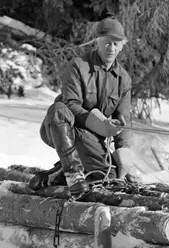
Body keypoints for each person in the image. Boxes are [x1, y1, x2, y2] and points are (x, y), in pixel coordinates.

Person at [35, 17, 138, 195]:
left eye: (116, 44)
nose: (111, 48)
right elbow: (71, 104)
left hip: (89, 137)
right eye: (107, 43)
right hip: (61, 128)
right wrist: (98, 122)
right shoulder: (78, 66)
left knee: (107, 178)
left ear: (122, 45)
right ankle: (73, 174)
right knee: (58, 109)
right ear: (97, 42)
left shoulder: (124, 79)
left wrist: (124, 151)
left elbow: (124, 119)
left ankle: (59, 173)